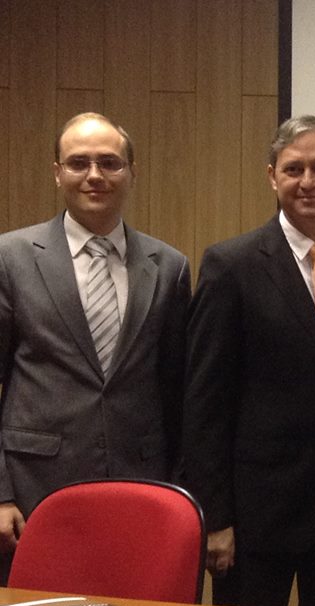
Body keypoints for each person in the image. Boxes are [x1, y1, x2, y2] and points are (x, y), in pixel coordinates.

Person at [181, 116, 315, 606]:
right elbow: (204, 401)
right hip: (256, 519)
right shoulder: (230, 265)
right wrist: (215, 517)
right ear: (272, 176)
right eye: (293, 168)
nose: (308, 182)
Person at [0, 112, 191, 582]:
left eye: (109, 163)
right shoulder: (10, 258)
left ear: (131, 171)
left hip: (141, 487)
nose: (94, 176)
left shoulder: (170, 266)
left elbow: (176, 390)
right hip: (32, 493)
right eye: (79, 163)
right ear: (57, 172)